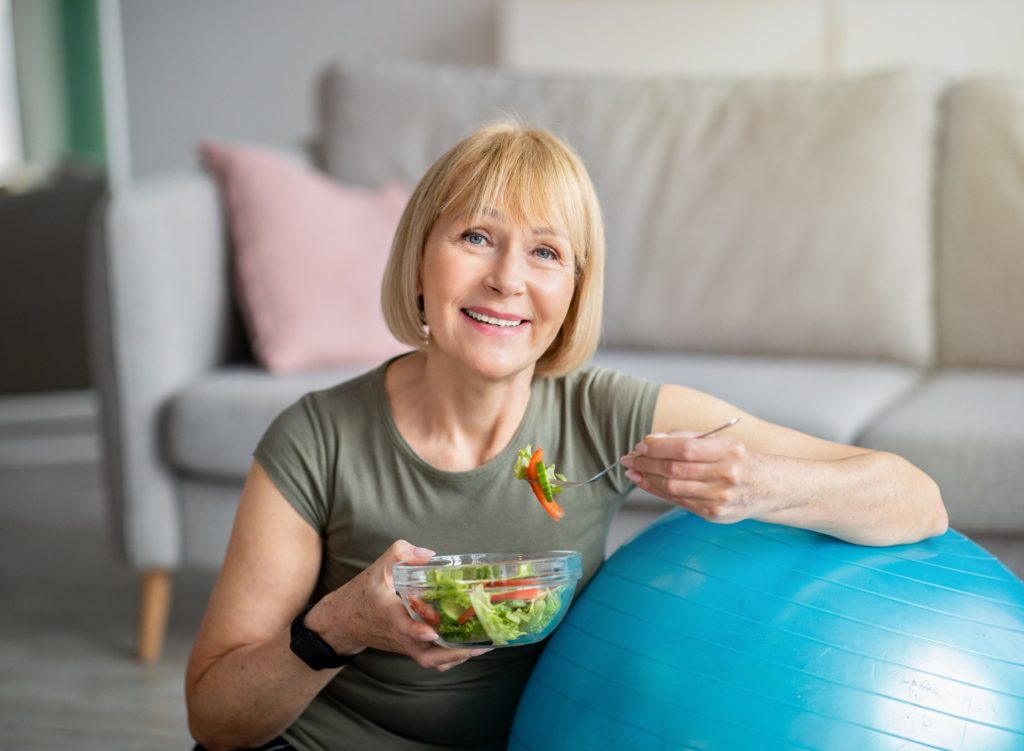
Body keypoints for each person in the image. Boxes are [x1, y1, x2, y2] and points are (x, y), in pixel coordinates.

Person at [185, 121, 947, 751]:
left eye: (547, 252)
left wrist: (763, 485)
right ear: (421, 258)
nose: (508, 279)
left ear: (574, 290)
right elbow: (215, 718)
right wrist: (340, 625)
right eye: (477, 237)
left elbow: (916, 499)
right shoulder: (315, 437)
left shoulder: (605, 415)